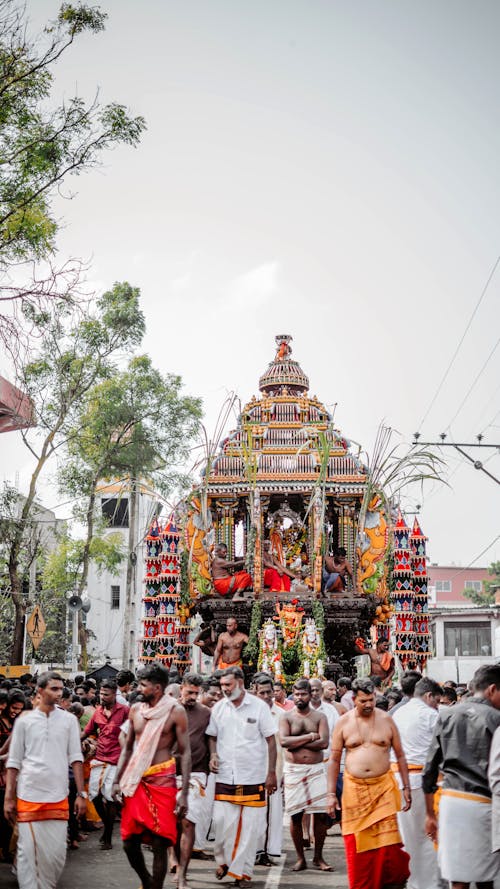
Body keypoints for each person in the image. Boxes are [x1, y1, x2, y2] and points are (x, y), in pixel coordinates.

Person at [4, 672, 86, 889]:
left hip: (58, 796)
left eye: (60, 690)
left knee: (56, 856)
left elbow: (76, 758)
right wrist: (8, 797)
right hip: (29, 794)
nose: (59, 694)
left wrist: (81, 794)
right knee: (28, 852)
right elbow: (14, 762)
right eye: (54, 689)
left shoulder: (69, 721)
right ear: (40, 691)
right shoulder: (24, 721)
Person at [327, 677, 411, 889]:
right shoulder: (343, 722)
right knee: (358, 848)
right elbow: (334, 759)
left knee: (390, 852)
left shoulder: (386, 720)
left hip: (383, 789)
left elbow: (400, 755)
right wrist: (330, 794)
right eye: (363, 700)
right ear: (354, 699)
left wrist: (406, 786)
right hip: (355, 792)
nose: (368, 705)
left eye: (372, 700)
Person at [113, 662, 190, 889]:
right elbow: (127, 748)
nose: (138, 689)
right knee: (128, 841)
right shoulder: (135, 710)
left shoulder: (176, 711)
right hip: (136, 780)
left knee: (159, 842)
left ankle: (155, 886)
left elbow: (185, 754)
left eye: (143, 685)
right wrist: (117, 780)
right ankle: (147, 881)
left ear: (157, 688)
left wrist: (184, 793)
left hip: (162, 781)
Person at [423, 663, 500, 889]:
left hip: (451, 802)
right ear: (492, 689)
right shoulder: (496, 719)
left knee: (458, 877)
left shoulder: (447, 715)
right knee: (487, 877)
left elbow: (429, 769)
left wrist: (429, 814)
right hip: (484, 803)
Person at [207, 666, 277, 887]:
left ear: (240, 683)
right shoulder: (219, 708)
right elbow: (211, 736)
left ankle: (242, 873)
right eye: (222, 685)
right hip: (225, 776)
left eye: (228, 685)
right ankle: (225, 862)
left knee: (249, 829)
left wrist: (271, 773)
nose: (224, 689)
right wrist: (213, 755)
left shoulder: (259, 708)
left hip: (254, 776)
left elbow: (271, 741)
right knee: (221, 823)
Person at [391, 677, 442, 889]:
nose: (437, 705)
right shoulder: (431, 715)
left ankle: (411, 881)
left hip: (398, 781)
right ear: (428, 696)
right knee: (429, 834)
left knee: (407, 835)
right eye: (437, 701)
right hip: (423, 780)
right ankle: (429, 883)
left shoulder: (398, 713)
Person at [279, 678, 331, 872]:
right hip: (294, 771)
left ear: (311, 695)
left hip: (316, 769)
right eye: (297, 694)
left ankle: (318, 857)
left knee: (320, 815)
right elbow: (284, 741)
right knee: (295, 815)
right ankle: (300, 858)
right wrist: (310, 737)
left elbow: (324, 743)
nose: (300, 697)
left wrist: (296, 741)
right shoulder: (287, 717)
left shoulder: (319, 717)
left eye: (304, 694)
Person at [81, 678, 129, 849]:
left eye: (106, 694)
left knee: (110, 798)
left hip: (117, 760)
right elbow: (86, 732)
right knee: (94, 796)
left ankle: (108, 836)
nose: (102, 697)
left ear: (114, 694)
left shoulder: (124, 711)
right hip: (100, 758)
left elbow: (131, 736)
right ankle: (107, 828)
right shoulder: (98, 712)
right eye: (101, 693)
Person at [176, 672, 212, 884]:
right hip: (169, 773)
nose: (192, 697)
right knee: (173, 825)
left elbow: (211, 740)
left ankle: (183, 874)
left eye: (196, 694)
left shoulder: (206, 713)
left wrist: (213, 757)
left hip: (196, 774)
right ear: (182, 688)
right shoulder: (169, 709)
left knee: (188, 822)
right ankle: (175, 859)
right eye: (189, 692)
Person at [254, 675, 284, 864]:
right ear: (254, 692)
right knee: (254, 813)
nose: (266, 696)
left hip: (275, 771)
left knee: (272, 813)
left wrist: (280, 774)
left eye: (269, 692)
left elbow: (283, 746)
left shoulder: (281, 715)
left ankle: (268, 851)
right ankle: (255, 850)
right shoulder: (249, 712)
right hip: (252, 771)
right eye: (261, 692)